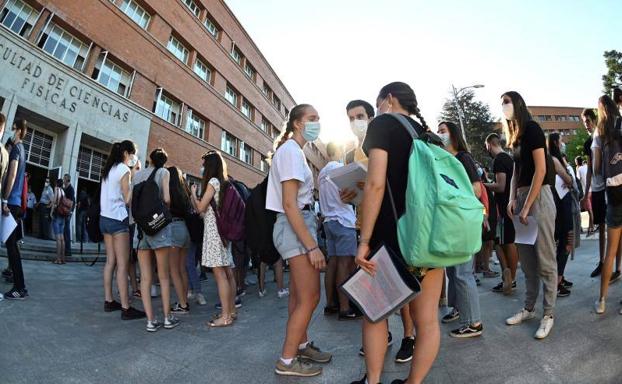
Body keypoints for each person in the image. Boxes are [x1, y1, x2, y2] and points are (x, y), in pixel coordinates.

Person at [352, 82, 443, 384]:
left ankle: (373, 381)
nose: (375, 112)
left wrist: (364, 241)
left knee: (375, 314)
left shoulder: (384, 124)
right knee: (427, 320)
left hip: (392, 237)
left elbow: (377, 184)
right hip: (430, 237)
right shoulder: (429, 136)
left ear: (389, 100)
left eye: (377, 105)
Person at [266, 104, 331, 377]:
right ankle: (287, 360)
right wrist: (312, 246)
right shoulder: (291, 152)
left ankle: (301, 345)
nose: (317, 122)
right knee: (311, 296)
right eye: (312, 118)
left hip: (294, 225)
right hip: (294, 225)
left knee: (298, 296)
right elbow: (290, 205)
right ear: (297, 123)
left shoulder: (294, 152)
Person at [345, 99, 401, 360]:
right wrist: (351, 194)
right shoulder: (354, 152)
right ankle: (383, 334)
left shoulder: (383, 136)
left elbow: (386, 181)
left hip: (388, 222)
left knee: (402, 284)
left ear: (370, 116)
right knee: (376, 289)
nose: (355, 121)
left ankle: (409, 336)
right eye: (350, 117)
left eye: (359, 115)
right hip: (365, 221)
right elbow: (364, 191)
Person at [501, 91, 557, 339]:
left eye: (507, 101)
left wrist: (526, 206)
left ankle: (548, 314)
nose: (503, 106)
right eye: (501, 102)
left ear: (518, 104)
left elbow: (541, 169)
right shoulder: (515, 136)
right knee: (528, 262)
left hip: (539, 199)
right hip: (523, 199)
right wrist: (513, 198)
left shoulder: (532, 128)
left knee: (545, 261)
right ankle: (529, 308)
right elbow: (516, 170)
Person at [436, 121, 485, 338]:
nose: (439, 135)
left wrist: (452, 193)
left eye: (443, 131)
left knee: (463, 272)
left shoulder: (462, 158)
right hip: (451, 221)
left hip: (461, 220)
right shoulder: (444, 160)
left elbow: (476, 188)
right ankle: (459, 309)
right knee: (453, 271)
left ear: (454, 134)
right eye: (438, 131)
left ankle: (473, 322)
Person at [134, 148, 179, 331]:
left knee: (145, 278)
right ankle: (167, 318)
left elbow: (131, 200)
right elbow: (167, 199)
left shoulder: (137, 175)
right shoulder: (164, 172)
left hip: (142, 229)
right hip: (159, 227)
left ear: (150, 159)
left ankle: (150, 321)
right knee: (163, 276)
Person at [191, 151, 237, 328]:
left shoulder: (212, 182)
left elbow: (201, 208)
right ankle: (231, 311)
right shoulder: (223, 182)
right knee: (228, 272)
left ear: (209, 166)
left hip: (214, 233)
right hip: (223, 233)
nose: (201, 168)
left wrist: (194, 195)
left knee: (220, 275)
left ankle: (225, 316)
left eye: (203, 164)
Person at [99, 140, 145, 320]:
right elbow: (127, 199)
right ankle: (126, 307)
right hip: (118, 219)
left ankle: (109, 300)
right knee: (123, 264)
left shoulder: (109, 169)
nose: (134, 158)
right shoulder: (124, 170)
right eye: (133, 154)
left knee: (110, 261)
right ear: (127, 153)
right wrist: (134, 177)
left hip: (104, 218)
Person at [318, 142, 359, 320]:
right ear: (339, 150)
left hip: (329, 221)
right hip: (343, 220)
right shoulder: (340, 169)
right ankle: (345, 308)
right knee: (345, 263)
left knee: (333, 263)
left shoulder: (321, 173)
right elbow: (352, 193)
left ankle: (330, 304)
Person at [594, 95, 622, 314]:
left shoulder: (599, 133)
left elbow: (596, 168)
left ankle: (602, 300)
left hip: (613, 195)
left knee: (610, 252)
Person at [485, 133, 519, 295]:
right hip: (509, 206)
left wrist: (482, 185)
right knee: (499, 242)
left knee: (508, 242)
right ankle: (507, 276)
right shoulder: (509, 158)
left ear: (490, 144)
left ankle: (511, 279)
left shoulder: (499, 160)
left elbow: (500, 186)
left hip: (505, 208)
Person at [3, 119, 29, 300]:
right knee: (11, 245)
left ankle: (20, 287)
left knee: (11, 246)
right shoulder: (22, 150)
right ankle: (18, 285)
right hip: (15, 203)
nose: (11, 133)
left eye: (13, 129)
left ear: (19, 131)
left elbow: (11, 174)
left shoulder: (17, 150)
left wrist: (4, 199)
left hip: (11, 202)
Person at [547, 133, 576, 297]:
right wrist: (568, 174)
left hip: (559, 206)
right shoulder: (555, 160)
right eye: (561, 141)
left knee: (562, 242)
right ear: (556, 143)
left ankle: (560, 277)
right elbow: (569, 180)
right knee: (565, 242)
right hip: (561, 208)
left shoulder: (553, 159)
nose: (563, 143)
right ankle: (557, 283)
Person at [583, 108, 610, 278]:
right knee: (601, 226)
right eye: (583, 122)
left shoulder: (604, 136)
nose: (585, 124)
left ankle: (615, 264)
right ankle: (601, 261)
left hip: (610, 186)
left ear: (593, 120)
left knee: (615, 226)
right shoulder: (588, 143)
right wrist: (586, 193)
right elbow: (589, 170)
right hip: (598, 189)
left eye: (587, 121)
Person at [168, 166, 192, 315]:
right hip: (185, 229)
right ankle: (184, 301)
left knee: (174, 269)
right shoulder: (184, 191)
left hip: (174, 228)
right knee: (182, 268)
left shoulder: (168, 190)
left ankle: (183, 305)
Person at [575, 156, 594, 233]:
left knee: (589, 211)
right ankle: (590, 226)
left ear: (577, 162)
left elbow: (577, 180)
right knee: (590, 210)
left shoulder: (579, 169)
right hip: (592, 190)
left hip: (585, 192)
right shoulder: (587, 166)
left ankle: (591, 227)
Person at [51, 179, 67, 264]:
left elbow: (54, 202)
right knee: (62, 238)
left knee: (58, 239)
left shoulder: (56, 189)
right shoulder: (63, 192)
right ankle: (63, 258)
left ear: (57, 184)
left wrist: (51, 212)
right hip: (63, 217)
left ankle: (58, 259)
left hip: (57, 216)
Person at [62, 174, 75, 256]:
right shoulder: (65, 188)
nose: (63, 180)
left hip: (68, 212)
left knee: (66, 231)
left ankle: (68, 250)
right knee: (64, 231)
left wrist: (70, 212)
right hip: (65, 211)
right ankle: (65, 249)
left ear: (67, 180)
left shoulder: (71, 189)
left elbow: (72, 201)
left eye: (64, 179)